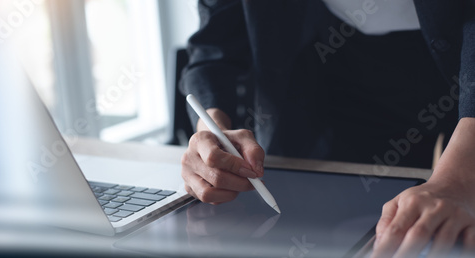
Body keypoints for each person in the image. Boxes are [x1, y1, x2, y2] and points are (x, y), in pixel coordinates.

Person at [180, 0, 475, 257]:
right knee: (308, 220)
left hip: (455, 64)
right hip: (319, 65)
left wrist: (456, 180)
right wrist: (212, 131)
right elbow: (215, 43)